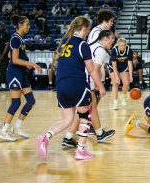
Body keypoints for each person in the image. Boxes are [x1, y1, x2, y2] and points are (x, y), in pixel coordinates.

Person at [36, 16, 104, 160]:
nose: (88, 32)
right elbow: (92, 70)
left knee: (67, 120)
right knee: (85, 115)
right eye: (88, 29)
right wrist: (101, 87)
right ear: (85, 29)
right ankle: (81, 150)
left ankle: (46, 137)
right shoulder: (82, 44)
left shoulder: (63, 43)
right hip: (76, 83)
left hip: (60, 85)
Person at [65, 10, 115, 139]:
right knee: (88, 108)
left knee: (87, 109)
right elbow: (94, 65)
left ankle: (73, 135)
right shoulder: (97, 39)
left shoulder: (96, 37)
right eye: (111, 21)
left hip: (91, 75)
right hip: (90, 76)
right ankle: (93, 133)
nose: (112, 24)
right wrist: (99, 84)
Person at [0, 15, 42, 141]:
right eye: (27, 24)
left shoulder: (20, 39)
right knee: (16, 102)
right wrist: (30, 64)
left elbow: (20, 58)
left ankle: (17, 126)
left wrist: (29, 64)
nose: (29, 26)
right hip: (14, 73)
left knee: (31, 100)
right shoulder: (15, 39)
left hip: (21, 73)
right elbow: (15, 60)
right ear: (20, 25)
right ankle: (3, 130)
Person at [109, 38, 133, 110]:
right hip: (114, 67)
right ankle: (115, 103)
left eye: (124, 45)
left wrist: (131, 75)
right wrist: (117, 76)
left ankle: (123, 96)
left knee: (126, 83)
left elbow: (130, 63)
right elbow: (114, 64)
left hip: (124, 67)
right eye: (121, 45)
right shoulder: (114, 50)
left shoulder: (129, 50)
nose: (122, 47)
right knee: (116, 83)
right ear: (118, 45)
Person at [0, 22, 11, 90]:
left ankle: (3, 85)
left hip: (4, 56)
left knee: (3, 70)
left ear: (3, 26)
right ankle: (3, 85)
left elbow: (7, 45)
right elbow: (3, 43)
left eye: (0, 27)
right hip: (2, 55)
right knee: (2, 70)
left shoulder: (6, 33)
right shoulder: (3, 34)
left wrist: (2, 55)